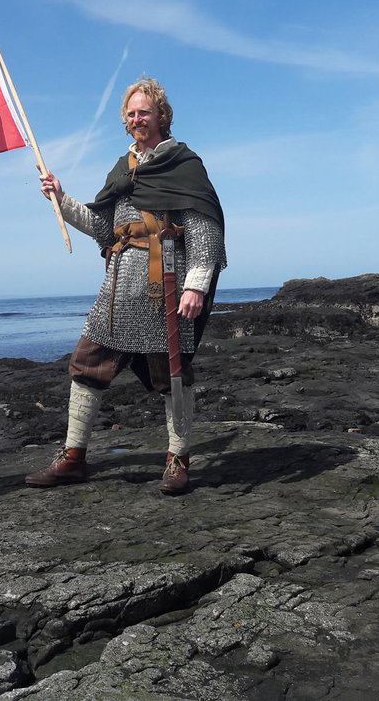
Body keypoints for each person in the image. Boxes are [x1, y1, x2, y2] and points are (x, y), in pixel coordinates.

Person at [26, 77, 226, 495]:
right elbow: (105, 228)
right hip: (117, 291)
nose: (137, 119)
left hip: (165, 285)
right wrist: (61, 201)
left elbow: (204, 230)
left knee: (172, 375)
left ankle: (177, 459)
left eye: (144, 112)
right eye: (131, 113)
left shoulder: (183, 165)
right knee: (85, 367)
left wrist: (196, 286)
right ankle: (73, 458)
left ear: (161, 116)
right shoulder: (124, 170)